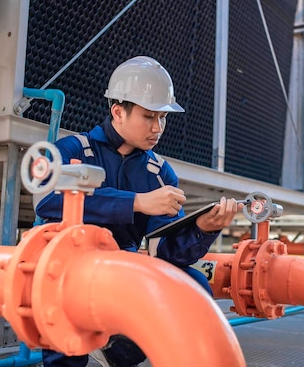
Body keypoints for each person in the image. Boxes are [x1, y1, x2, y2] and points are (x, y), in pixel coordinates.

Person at [34, 56, 241, 367]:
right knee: (66, 355)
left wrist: (203, 229)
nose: (157, 128)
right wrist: (137, 202)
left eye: (162, 118)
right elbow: (46, 199)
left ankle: (120, 348)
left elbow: (165, 253)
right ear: (118, 111)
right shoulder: (74, 149)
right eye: (148, 117)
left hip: (123, 274)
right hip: (68, 271)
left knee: (193, 286)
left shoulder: (159, 173)